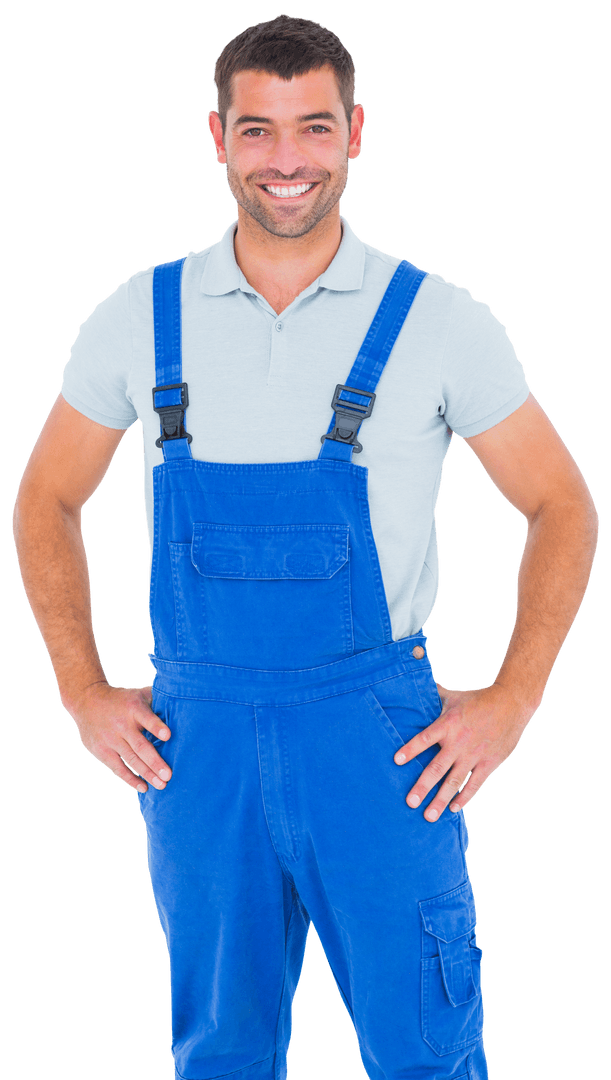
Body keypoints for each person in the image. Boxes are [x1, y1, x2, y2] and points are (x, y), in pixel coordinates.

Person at [12, 13, 598, 1080]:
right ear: (217, 137)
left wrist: (514, 698)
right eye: (258, 130)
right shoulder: (139, 317)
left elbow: (561, 504)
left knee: (423, 1050)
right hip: (197, 746)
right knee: (221, 1055)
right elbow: (45, 497)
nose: (286, 161)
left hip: (377, 745)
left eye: (312, 128)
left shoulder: (438, 320)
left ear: (355, 134)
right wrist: (80, 688)